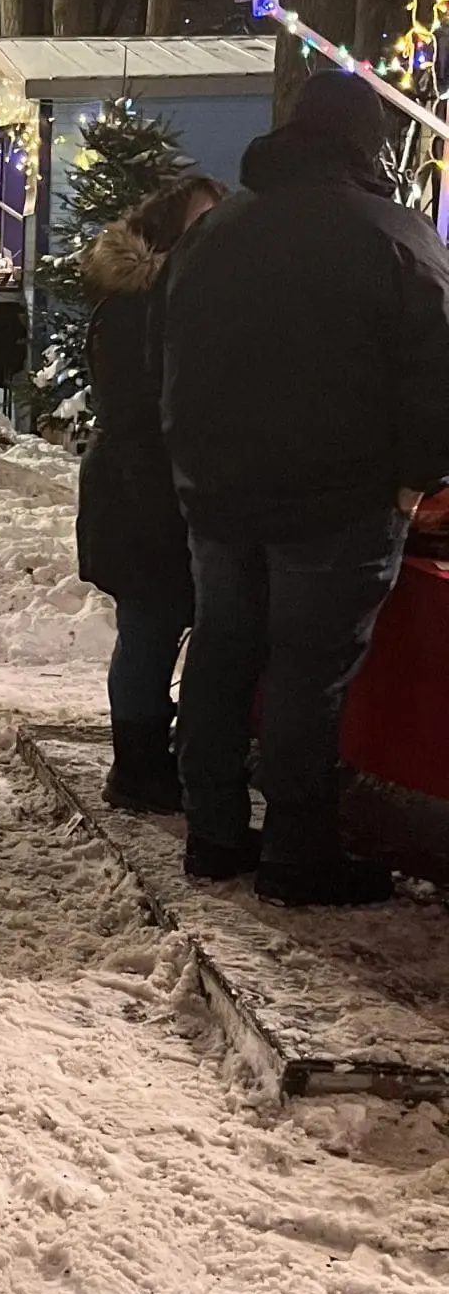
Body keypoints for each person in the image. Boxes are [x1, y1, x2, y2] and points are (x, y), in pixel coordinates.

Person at [163, 71, 449, 906]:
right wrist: (410, 484)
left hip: (220, 495)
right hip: (338, 503)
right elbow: (435, 375)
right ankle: (297, 852)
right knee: (306, 672)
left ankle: (213, 832)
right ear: (369, 143)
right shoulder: (394, 234)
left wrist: (192, 465)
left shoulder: (217, 232)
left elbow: (170, 363)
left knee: (221, 652)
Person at [75, 175, 226, 814]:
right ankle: (137, 767)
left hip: (161, 489)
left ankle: (155, 758)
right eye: (204, 221)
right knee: (149, 628)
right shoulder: (142, 305)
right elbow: (139, 410)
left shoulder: (183, 296)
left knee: (162, 627)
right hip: (143, 495)